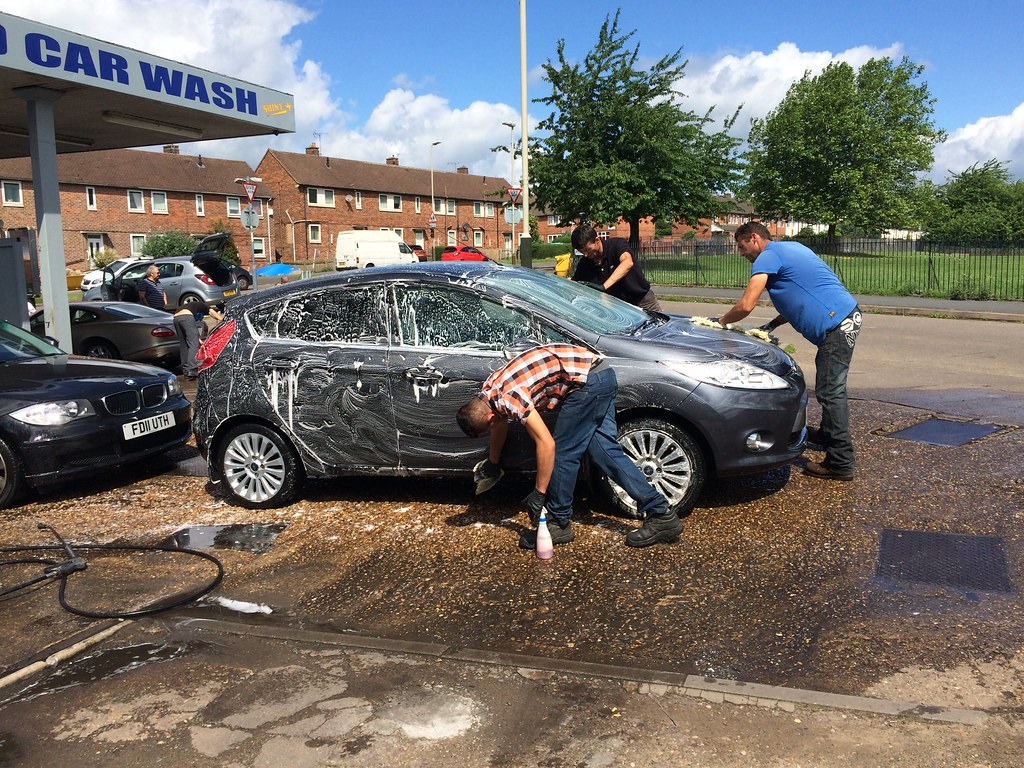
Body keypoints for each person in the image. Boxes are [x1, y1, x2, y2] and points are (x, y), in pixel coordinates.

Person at [456, 343, 682, 549]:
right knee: (604, 451)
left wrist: (539, 492)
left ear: (487, 419)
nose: (491, 431)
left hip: (587, 384)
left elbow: (546, 444)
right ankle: (661, 514)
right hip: (600, 373)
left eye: (486, 431)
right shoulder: (489, 390)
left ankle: (559, 522)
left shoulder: (509, 397)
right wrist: (493, 463)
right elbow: (499, 425)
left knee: (564, 454)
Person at [715, 222, 862, 481]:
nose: (741, 253)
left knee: (830, 391)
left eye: (741, 246)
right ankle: (828, 435)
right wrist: (773, 323)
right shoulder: (791, 248)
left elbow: (747, 304)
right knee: (832, 388)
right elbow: (804, 292)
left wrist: (721, 322)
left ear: (754, 238)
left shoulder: (768, 256)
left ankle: (841, 461)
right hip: (846, 316)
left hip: (836, 324)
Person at [570, 223, 662, 312]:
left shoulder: (617, 245)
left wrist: (604, 287)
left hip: (642, 300)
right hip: (618, 307)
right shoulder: (585, 263)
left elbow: (627, 263)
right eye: (582, 252)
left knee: (660, 327)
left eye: (588, 250)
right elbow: (575, 285)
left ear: (597, 241)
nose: (585, 255)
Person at [173, 304, 223, 379]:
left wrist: (199, 341)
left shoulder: (193, 308)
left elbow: (193, 335)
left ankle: (186, 370)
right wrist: (221, 320)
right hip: (187, 316)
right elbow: (217, 315)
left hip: (176, 318)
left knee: (184, 344)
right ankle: (192, 368)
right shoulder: (205, 307)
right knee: (193, 344)